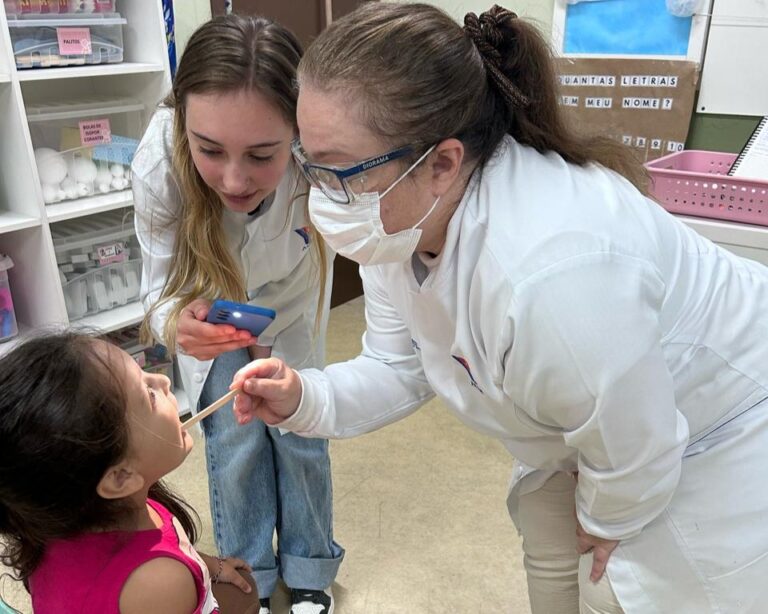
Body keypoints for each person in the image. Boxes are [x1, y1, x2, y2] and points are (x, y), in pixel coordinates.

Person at [230, 3, 768, 613]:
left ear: (441, 163)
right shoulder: (398, 221)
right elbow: (398, 365)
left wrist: (604, 517)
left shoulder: (550, 271)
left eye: (342, 174)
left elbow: (636, 450)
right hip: (598, 424)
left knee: (624, 587)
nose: (323, 198)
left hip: (722, 430)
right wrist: (304, 398)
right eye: (311, 165)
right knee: (554, 550)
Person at [132, 15, 342, 614]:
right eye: (210, 150)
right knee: (235, 432)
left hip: (292, 301)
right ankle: (246, 573)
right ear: (185, 133)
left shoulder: (321, 159)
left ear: (296, 137)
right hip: (208, 303)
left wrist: (276, 351)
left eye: (261, 154)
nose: (233, 178)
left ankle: (310, 571)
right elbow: (157, 289)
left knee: (301, 430)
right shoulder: (159, 163)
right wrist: (178, 323)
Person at [0, 332, 258, 613]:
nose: (164, 380)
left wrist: (207, 564)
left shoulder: (67, 515)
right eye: (149, 394)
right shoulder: (160, 584)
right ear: (120, 477)